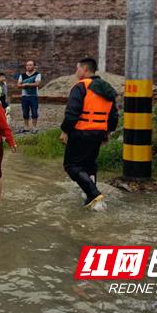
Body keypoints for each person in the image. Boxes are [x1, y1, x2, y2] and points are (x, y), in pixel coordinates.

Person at [60, 57, 119, 209]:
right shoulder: (107, 87)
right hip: (98, 133)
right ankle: (89, 197)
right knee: (89, 165)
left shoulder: (81, 86)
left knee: (71, 165)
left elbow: (72, 113)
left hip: (81, 132)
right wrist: (108, 132)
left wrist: (65, 131)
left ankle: (93, 193)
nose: (76, 72)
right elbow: (113, 115)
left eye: (77, 69)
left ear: (85, 70)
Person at [17, 60, 42, 134]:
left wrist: (25, 84)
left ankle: (34, 127)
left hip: (34, 96)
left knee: (34, 112)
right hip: (24, 96)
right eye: (27, 65)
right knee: (25, 112)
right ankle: (26, 127)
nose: (28, 66)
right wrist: (27, 84)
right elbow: (18, 85)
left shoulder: (37, 74)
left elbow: (37, 84)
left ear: (34, 66)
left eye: (30, 65)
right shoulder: (22, 75)